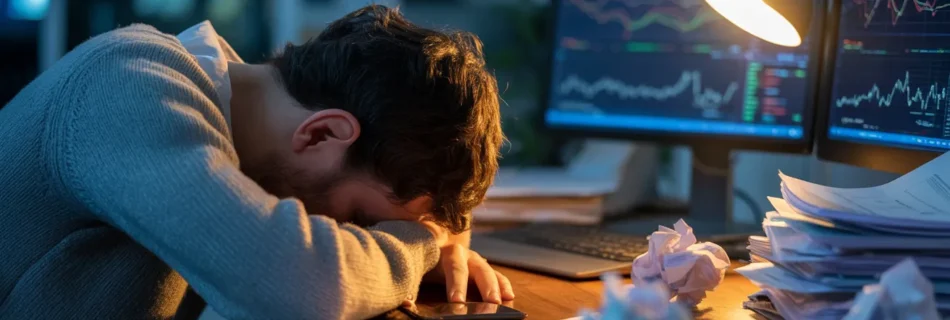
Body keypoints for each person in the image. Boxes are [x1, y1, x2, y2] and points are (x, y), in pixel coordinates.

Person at [0, 5, 511, 320]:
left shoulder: (231, 123)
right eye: (357, 219)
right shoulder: (129, 86)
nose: (351, 235)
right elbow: (294, 285)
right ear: (323, 132)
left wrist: (444, 238)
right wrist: (420, 246)